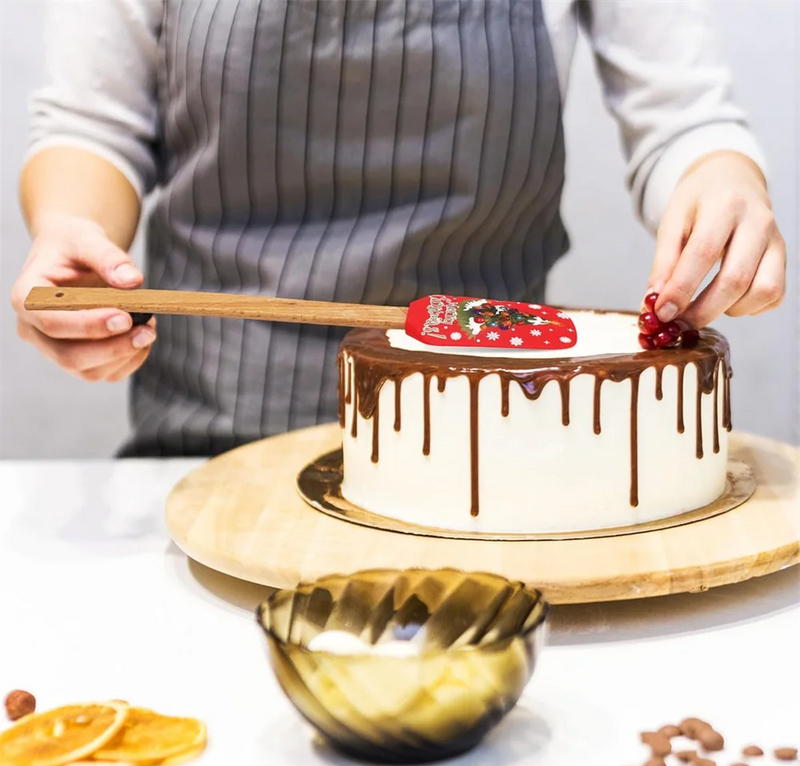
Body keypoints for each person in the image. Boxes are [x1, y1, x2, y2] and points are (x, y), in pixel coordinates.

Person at [11, 0, 786, 457]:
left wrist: (724, 185)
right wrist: (74, 231)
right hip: (210, 437)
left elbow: (683, 116)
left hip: (495, 445)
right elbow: (93, 125)